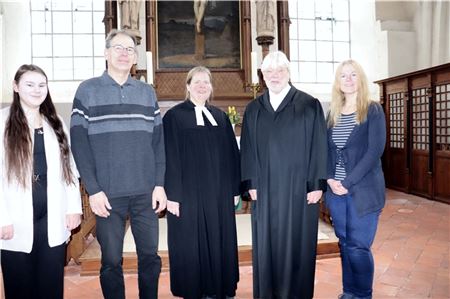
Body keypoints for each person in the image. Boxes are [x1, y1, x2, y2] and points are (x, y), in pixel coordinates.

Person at [70, 29, 167, 299]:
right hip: (108, 195)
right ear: (106, 53)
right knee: (111, 261)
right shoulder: (87, 91)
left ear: (135, 58)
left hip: (145, 193)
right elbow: (79, 145)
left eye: (130, 50)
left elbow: (159, 144)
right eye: (118, 48)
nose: (124, 54)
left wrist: (159, 185)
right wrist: (93, 189)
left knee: (150, 258)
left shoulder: (147, 93)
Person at [240, 51, 328, 299]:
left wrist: (316, 184)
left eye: (280, 71)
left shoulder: (309, 105)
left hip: (299, 188)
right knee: (267, 244)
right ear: (263, 76)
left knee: (297, 242)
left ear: (288, 73)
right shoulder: (254, 109)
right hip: (265, 188)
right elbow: (246, 149)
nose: (274, 76)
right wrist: (251, 182)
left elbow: (319, 146)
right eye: (269, 72)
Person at [0, 64, 82, 299]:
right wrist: (1, 217)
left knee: (50, 284)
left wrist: (73, 207)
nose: (36, 90)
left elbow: (70, 169)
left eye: (41, 85)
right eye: (29, 84)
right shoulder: (3, 122)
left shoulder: (54, 122)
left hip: (53, 216)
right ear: (16, 87)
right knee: (20, 284)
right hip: (15, 218)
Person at [163, 66, 240, 299]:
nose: (201, 86)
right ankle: (193, 288)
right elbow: (169, 157)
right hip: (187, 193)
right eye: (196, 82)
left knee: (219, 237)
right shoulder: (174, 117)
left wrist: (235, 189)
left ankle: (220, 286)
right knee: (190, 240)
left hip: (218, 192)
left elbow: (232, 156)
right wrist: (172, 195)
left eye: (206, 82)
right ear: (187, 86)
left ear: (211, 87)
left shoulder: (220, 116)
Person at [325, 60, 386, 299]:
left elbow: (374, 151)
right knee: (345, 244)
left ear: (360, 79)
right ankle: (349, 292)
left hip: (363, 190)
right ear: (338, 83)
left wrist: (346, 183)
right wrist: (330, 179)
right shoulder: (333, 113)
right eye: (343, 76)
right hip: (336, 191)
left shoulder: (372, 110)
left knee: (359, 246)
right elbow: (326, 149)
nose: (348, 80)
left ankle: (362, 295)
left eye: (353, 75)